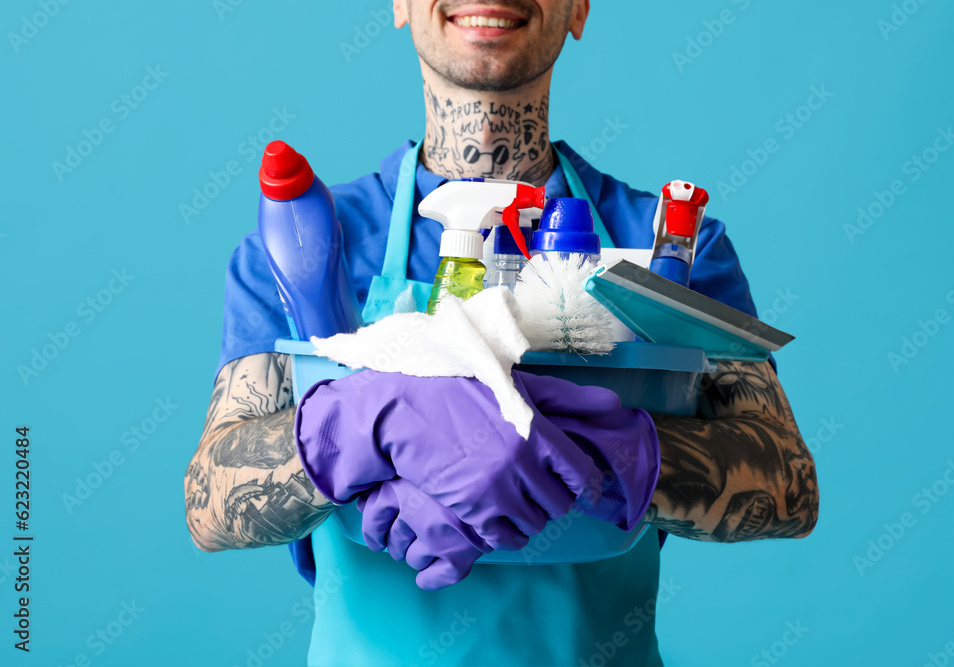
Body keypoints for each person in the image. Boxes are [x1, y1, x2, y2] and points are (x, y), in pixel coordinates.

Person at [184, 1, 820, 664]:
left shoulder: (664, 247)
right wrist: (368, 420)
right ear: (399, 4)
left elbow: (789, 482)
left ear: (579, 8)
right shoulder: (308, 249)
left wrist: (599, 454)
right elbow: (211, 501)